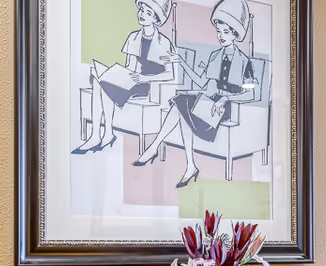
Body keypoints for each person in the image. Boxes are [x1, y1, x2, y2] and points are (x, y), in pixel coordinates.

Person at [132, 0, 256, 188]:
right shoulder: (215, 56)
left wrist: (225, 98)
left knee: (182, 106)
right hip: (209, 103)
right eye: (219, 31)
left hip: (228, 108)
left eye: (226, 32)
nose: (221, 36)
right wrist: (181, 61)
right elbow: (203, 84)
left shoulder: (244, 61)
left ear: (236, 34)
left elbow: (251, 95)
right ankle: (187, 164)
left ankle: (157, 149)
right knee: (182, 103)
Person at [72, 0, 176, 154]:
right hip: (132, 79)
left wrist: (144, 78)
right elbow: (130, 66)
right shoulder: (134, 36)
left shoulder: (165, 43)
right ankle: (100, 134)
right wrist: (119, 75)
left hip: (148, 85)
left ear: (156, 19)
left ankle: (104, 135)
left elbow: (170, 74)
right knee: (98, 77)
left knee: (103, 83)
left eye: (148, 13)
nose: (142, 15)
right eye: (141, 10)